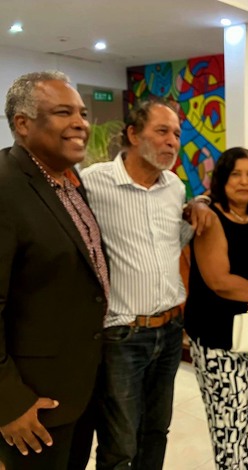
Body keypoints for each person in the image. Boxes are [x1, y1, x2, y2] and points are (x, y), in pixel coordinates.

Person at [80, 99, 209, 469]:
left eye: (177, 134)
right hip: (122, 334)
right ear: (134, 135)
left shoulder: (174, 187)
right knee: (120, 442)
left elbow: (174, 242)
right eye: (162, 131)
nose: (172, 141)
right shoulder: (93, 183)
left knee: (156, 430)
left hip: (169, 332)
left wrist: (200, 202)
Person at [0, 71, 109, 469]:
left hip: (78, 387)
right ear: (22, 123)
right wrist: (9, 402)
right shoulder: (5, 186)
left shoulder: (67, 180)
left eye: (82, 113)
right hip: (32, 403)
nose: (81, 123)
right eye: (64, 113)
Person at [184, 147, 248, 469]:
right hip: (218, 337)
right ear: (222, 179)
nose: (244, 181)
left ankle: (244, 462)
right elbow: (220, 281)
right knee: (229, 422)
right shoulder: (211, 218)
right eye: (236, 174)